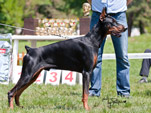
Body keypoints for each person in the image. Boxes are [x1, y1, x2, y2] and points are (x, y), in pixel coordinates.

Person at [87, 0, 133, 97]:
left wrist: (122, 5)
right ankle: (94, 91)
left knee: (122, 56)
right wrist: (93, 5)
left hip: (119, 14)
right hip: (98, 15)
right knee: (95, 56)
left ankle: (124, 91)